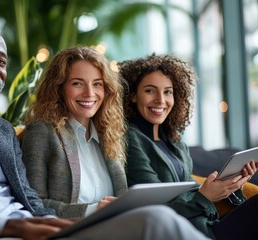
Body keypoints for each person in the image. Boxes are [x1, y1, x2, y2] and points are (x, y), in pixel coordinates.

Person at [0, 19, 208, 240]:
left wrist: (52, 222)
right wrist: (9, 226)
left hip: (45, 229)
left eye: (1, 61)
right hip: (0, 232)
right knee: (156, 220)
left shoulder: (2, 130)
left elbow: (31, 199)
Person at [21, 46, 209, 239]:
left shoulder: (109, 134)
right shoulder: (43, 131)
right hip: (70, 231)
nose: (89, 93)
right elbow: (33, 203)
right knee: (157, 218)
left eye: (97, 84)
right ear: (59, 87)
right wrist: (92, 209)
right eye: (78, 84)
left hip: (115, 226)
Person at [119, 53, 258, 240]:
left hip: (208, 223)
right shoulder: (131, 138)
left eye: (168, 91)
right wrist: (204, 196)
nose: (161, 100)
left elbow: (190, 194)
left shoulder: (174, 142)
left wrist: (233, 185)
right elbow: (154, 210)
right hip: (187, 232)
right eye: (150, 90)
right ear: (133, 96)